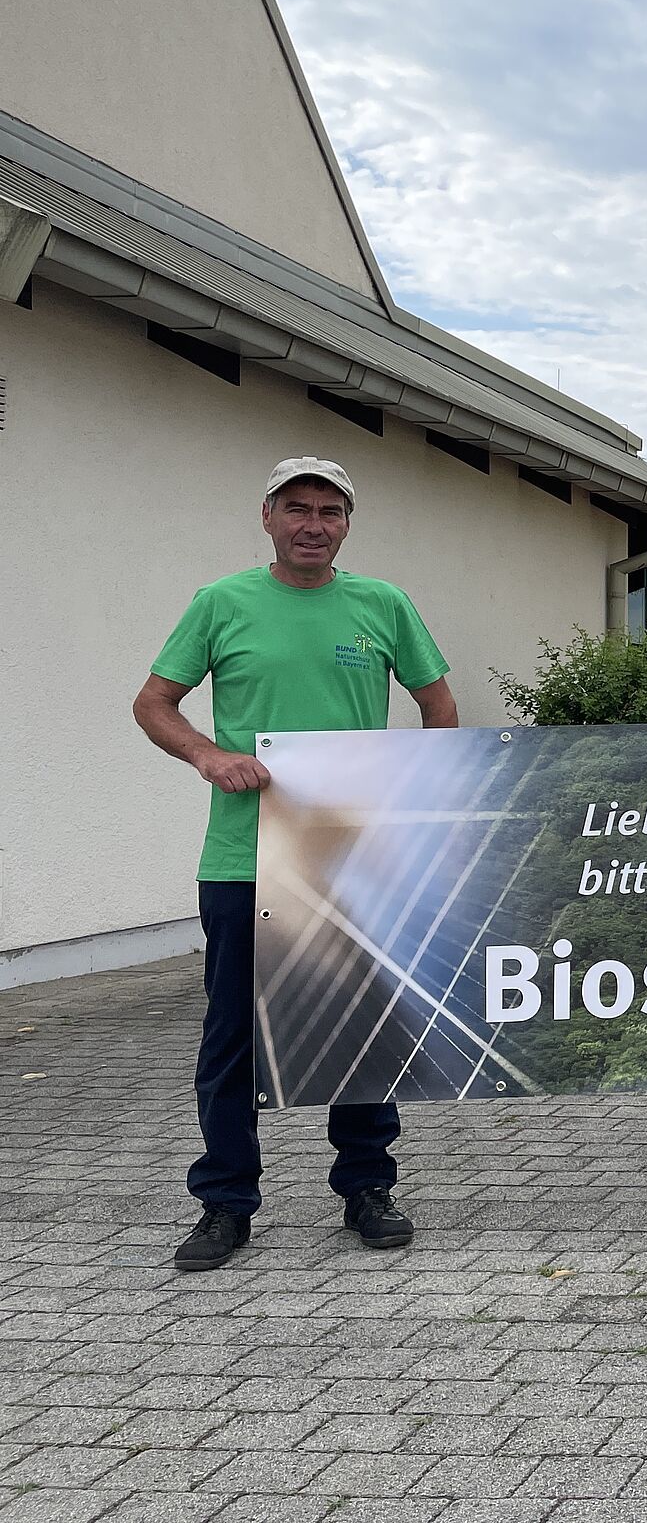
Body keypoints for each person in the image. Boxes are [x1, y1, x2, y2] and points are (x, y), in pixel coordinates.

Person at [134, 457, 457, 1272]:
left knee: (361, 1027)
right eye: (297, 509)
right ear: (268, 517)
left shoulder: (382, 604)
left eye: (330, 512)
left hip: (353, 858)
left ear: (347, 524)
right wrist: (209, 757)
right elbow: (153, 703)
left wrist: (412, 794)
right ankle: (225, 1202)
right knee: (233, 1038)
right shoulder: (222, 603)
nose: (314, 524)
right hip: (245, 857)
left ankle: (366, 1187)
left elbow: (439, 705)